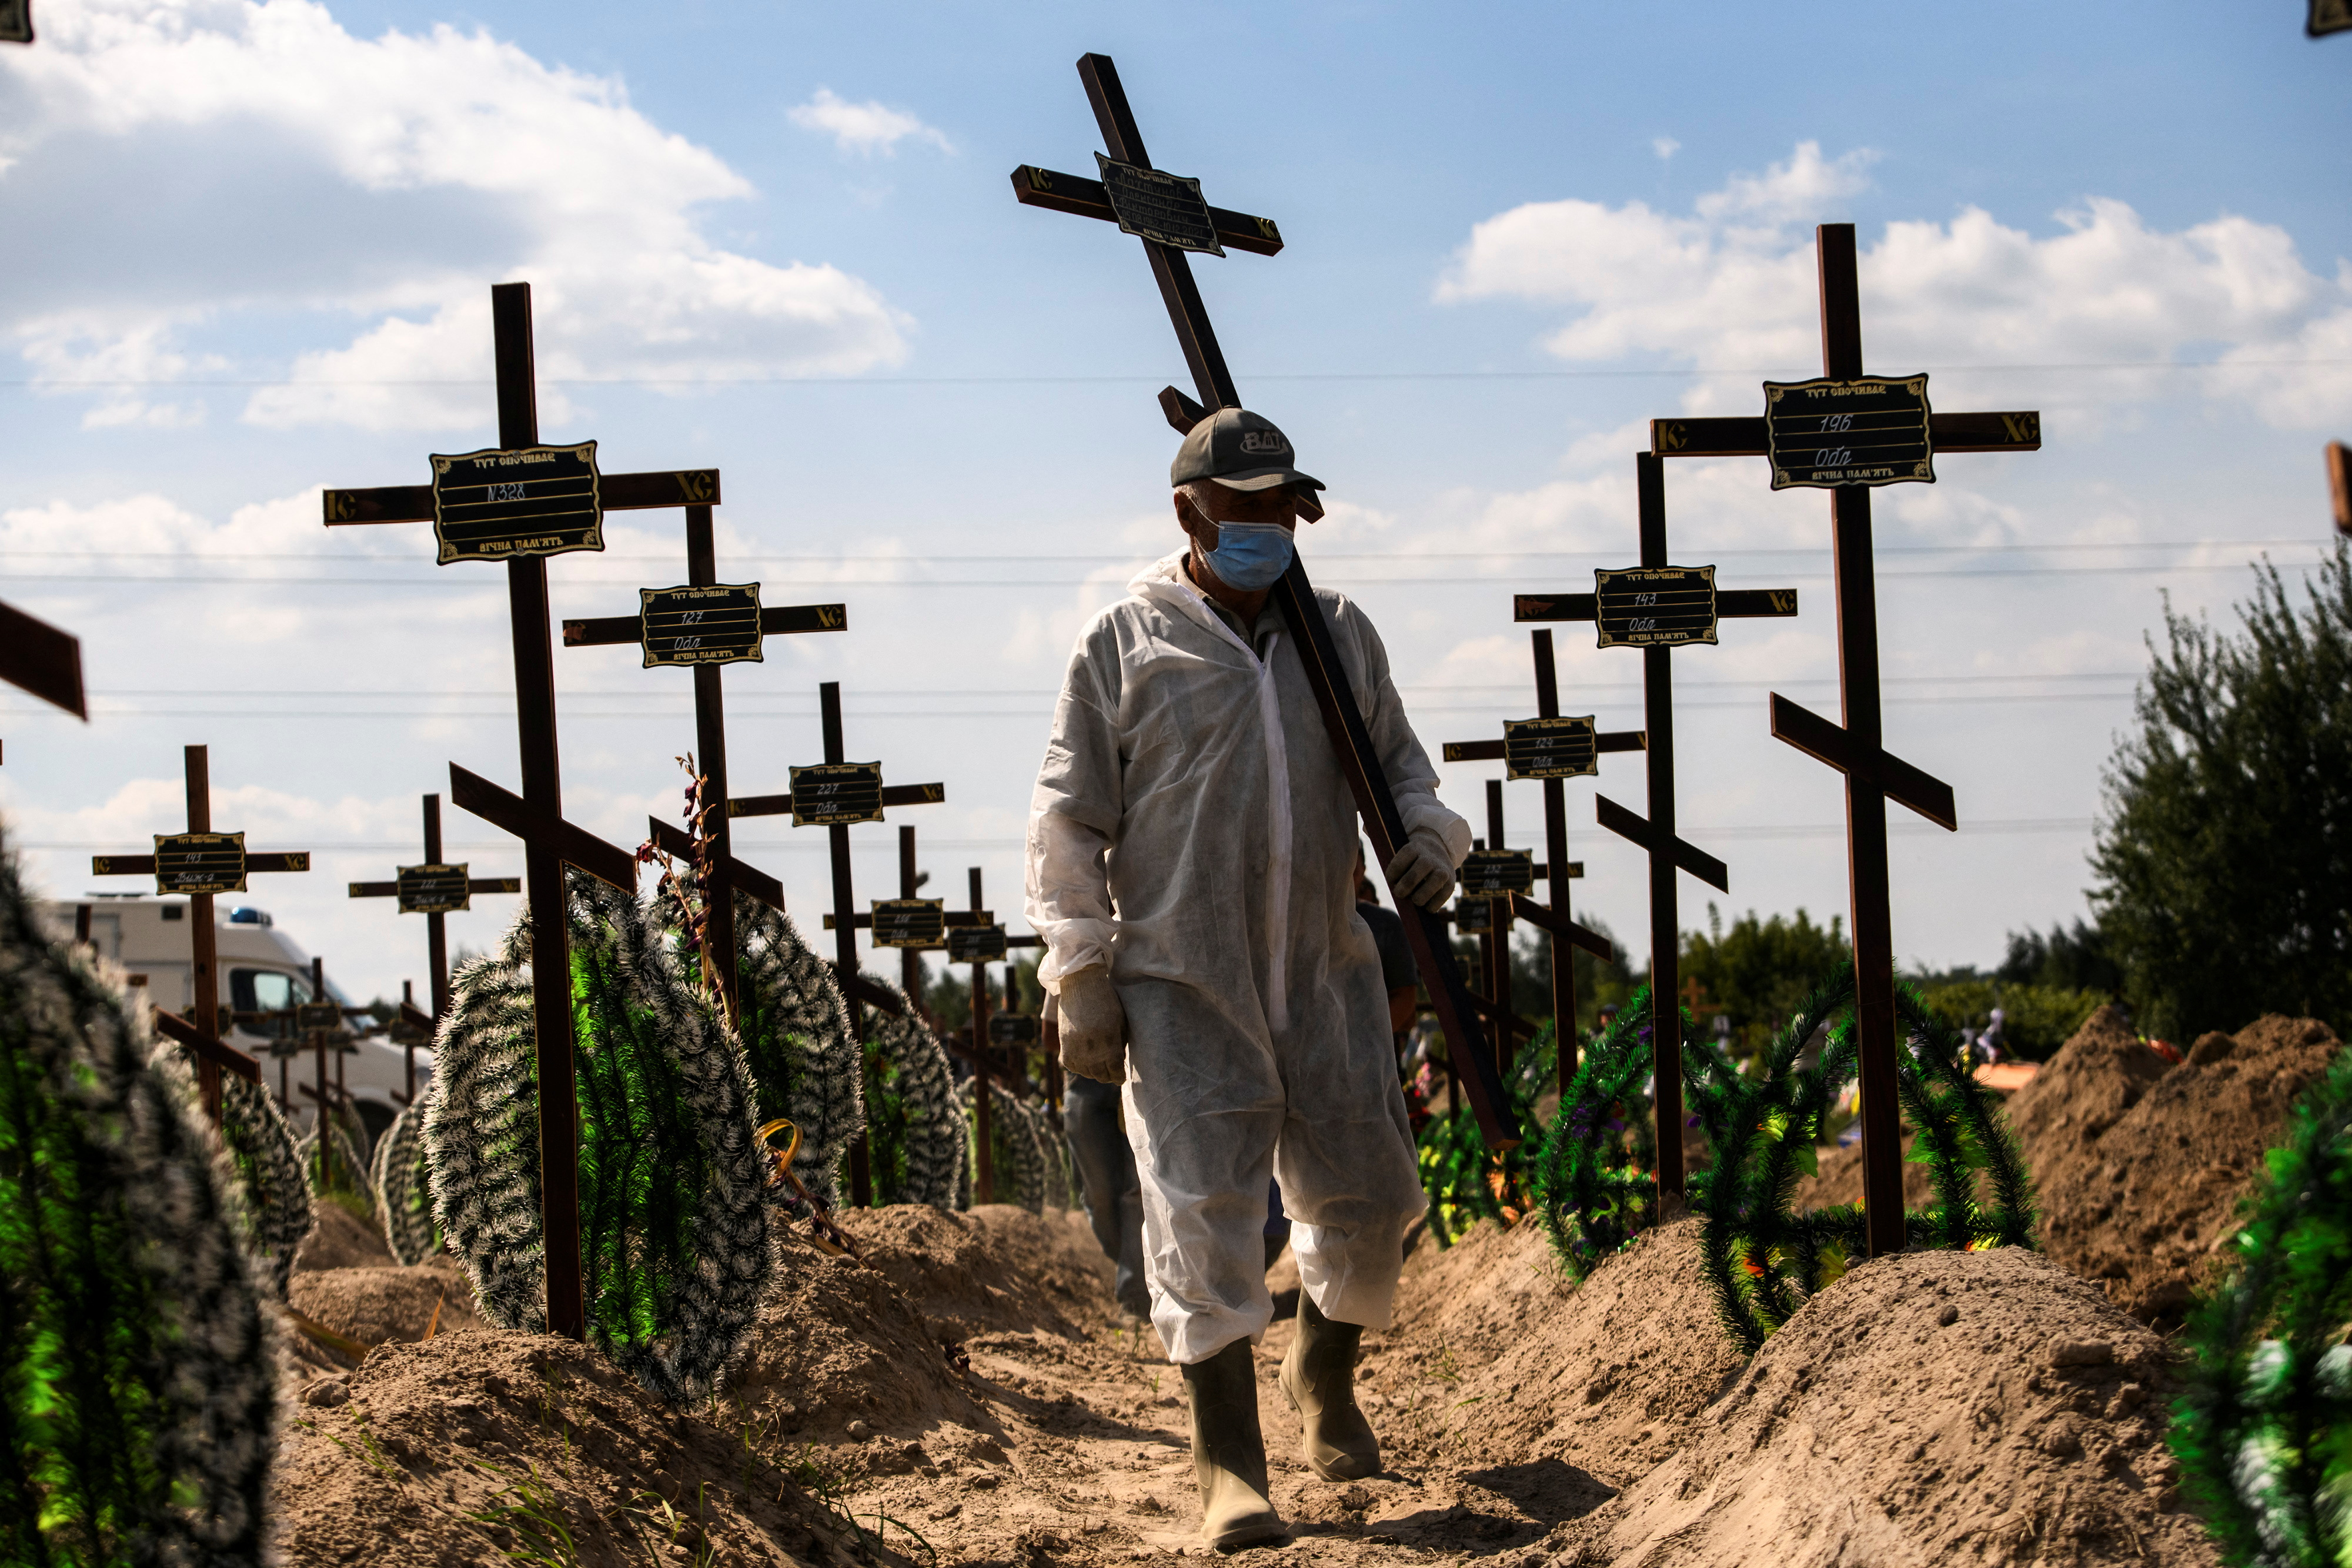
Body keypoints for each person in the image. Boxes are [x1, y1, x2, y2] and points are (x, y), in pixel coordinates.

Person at [1027, 407, 1467, 1548]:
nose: (1270, 527)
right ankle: (1228, 1460)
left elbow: (1402, 770)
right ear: (1190, 512)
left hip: (1323, 966)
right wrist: (1079, 971)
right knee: (1203, 1212)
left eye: (1285, 507)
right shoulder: (1125, 642)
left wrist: (1428, 836)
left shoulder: (1337, 636)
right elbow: (1069, 818)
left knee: (1370, 1194)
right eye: (1248, 508)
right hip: (1183, 980)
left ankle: (1322, 1377)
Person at [1063, 1071, 1150, 1319]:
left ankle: (1135, 1297)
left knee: (1138, 1191)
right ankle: (1133, 1266)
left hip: (1140, 1074)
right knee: (1097, 1195)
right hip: (1084, 1080)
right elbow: (1050, 1040)